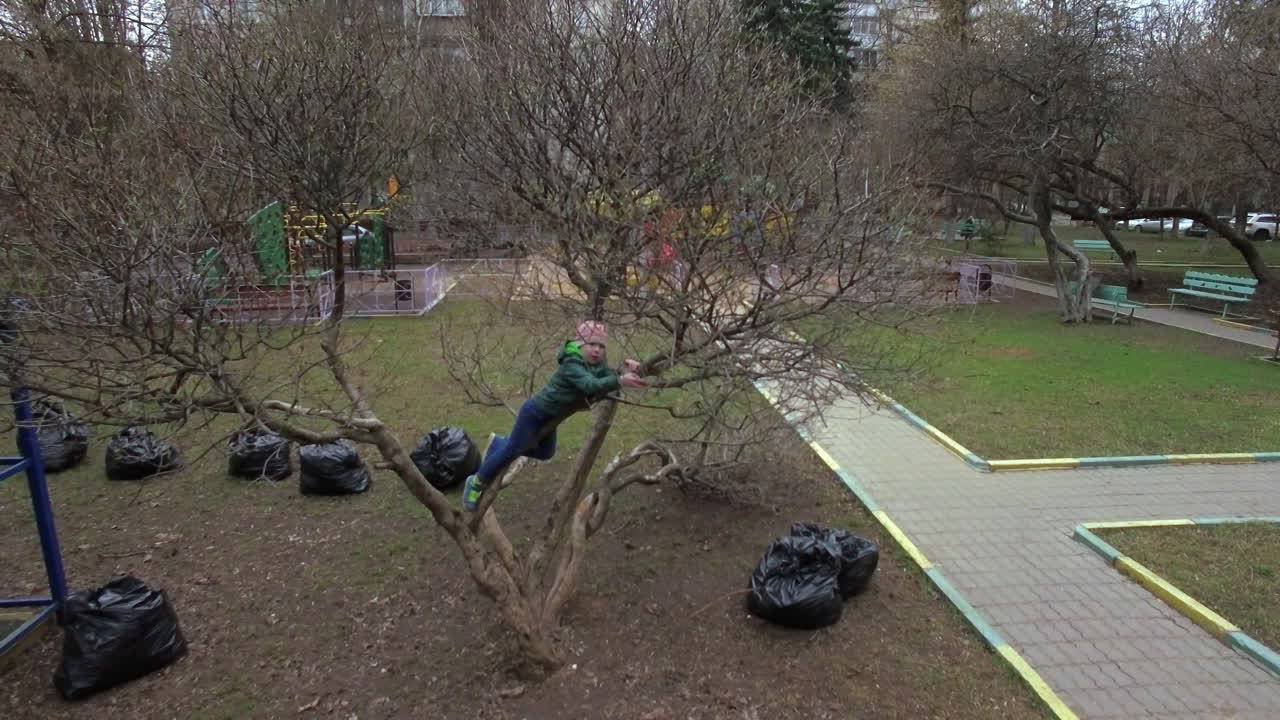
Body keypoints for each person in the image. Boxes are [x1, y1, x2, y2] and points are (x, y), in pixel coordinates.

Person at [462, 320, 647, 510]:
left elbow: (603, 374)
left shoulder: (594, 364)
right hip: (535, 412)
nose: (597, 350)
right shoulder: (572, 363)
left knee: (545, 452)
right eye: (591, 344)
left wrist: (624, 368)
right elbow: (590, 385)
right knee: (513, 451)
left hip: (551, 417)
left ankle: (502, 444)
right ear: (580, 344)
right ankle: (476, 481)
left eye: (601, 346)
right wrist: (620, 380)